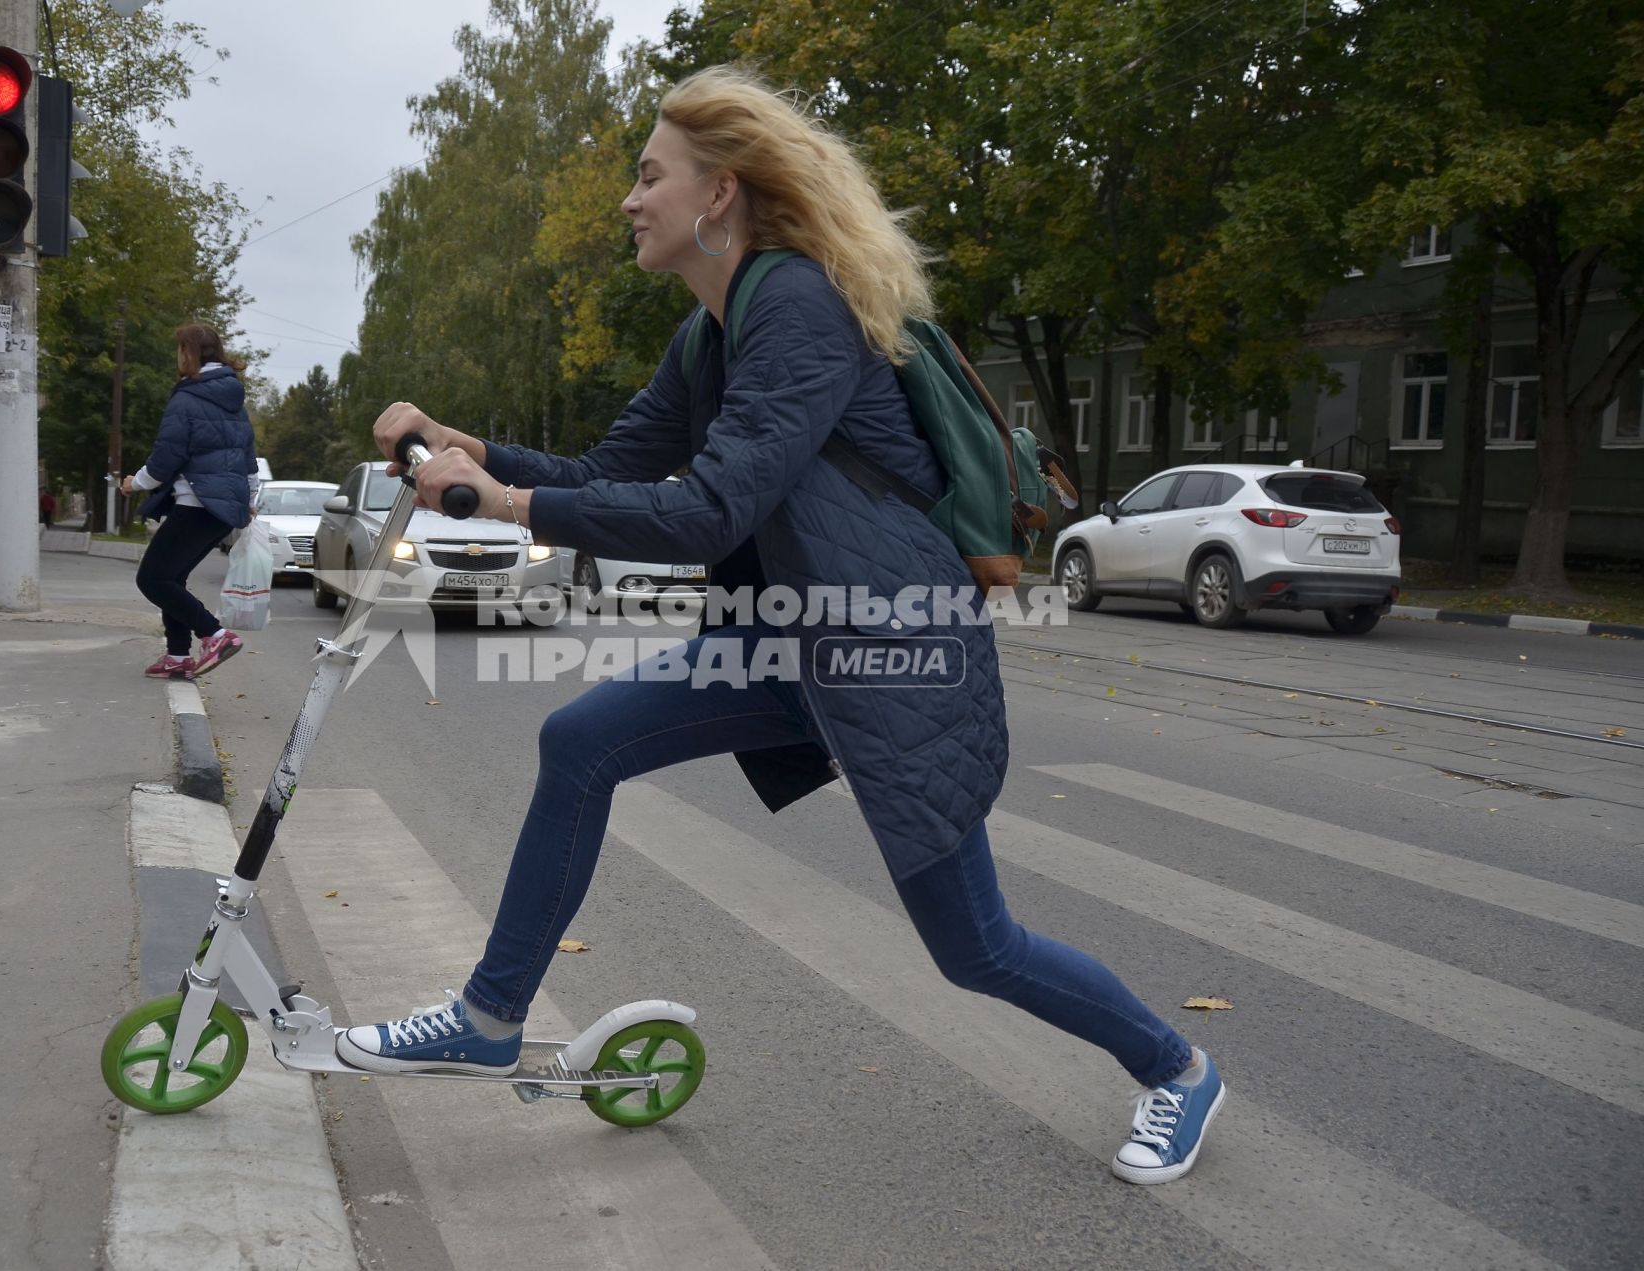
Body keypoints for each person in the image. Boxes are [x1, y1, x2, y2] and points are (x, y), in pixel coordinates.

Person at [343, 67, 1223, 1186]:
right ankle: (489, 1011)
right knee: (581, 740)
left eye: (648, 175)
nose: (629, 198)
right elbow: (612, 473)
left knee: (976, 948)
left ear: (719, 197)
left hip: (888, 651)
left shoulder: (797, 307)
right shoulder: (707, 335)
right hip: (788, 639)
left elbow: (710, 507)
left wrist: (507, 505)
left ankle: (1178, 1066)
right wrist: (467, 449)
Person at [122, 323, 258, 680]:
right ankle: (178, 655)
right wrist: (249, 497)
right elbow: (248, 456)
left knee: (152, 579)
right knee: (173, 577)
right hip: (222, 508)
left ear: (189, 353)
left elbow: (167, 456)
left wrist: (134, 483)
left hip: (196, 504)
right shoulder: (233, 398)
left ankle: (215, 635)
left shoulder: (188, 398)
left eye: (179, 350)